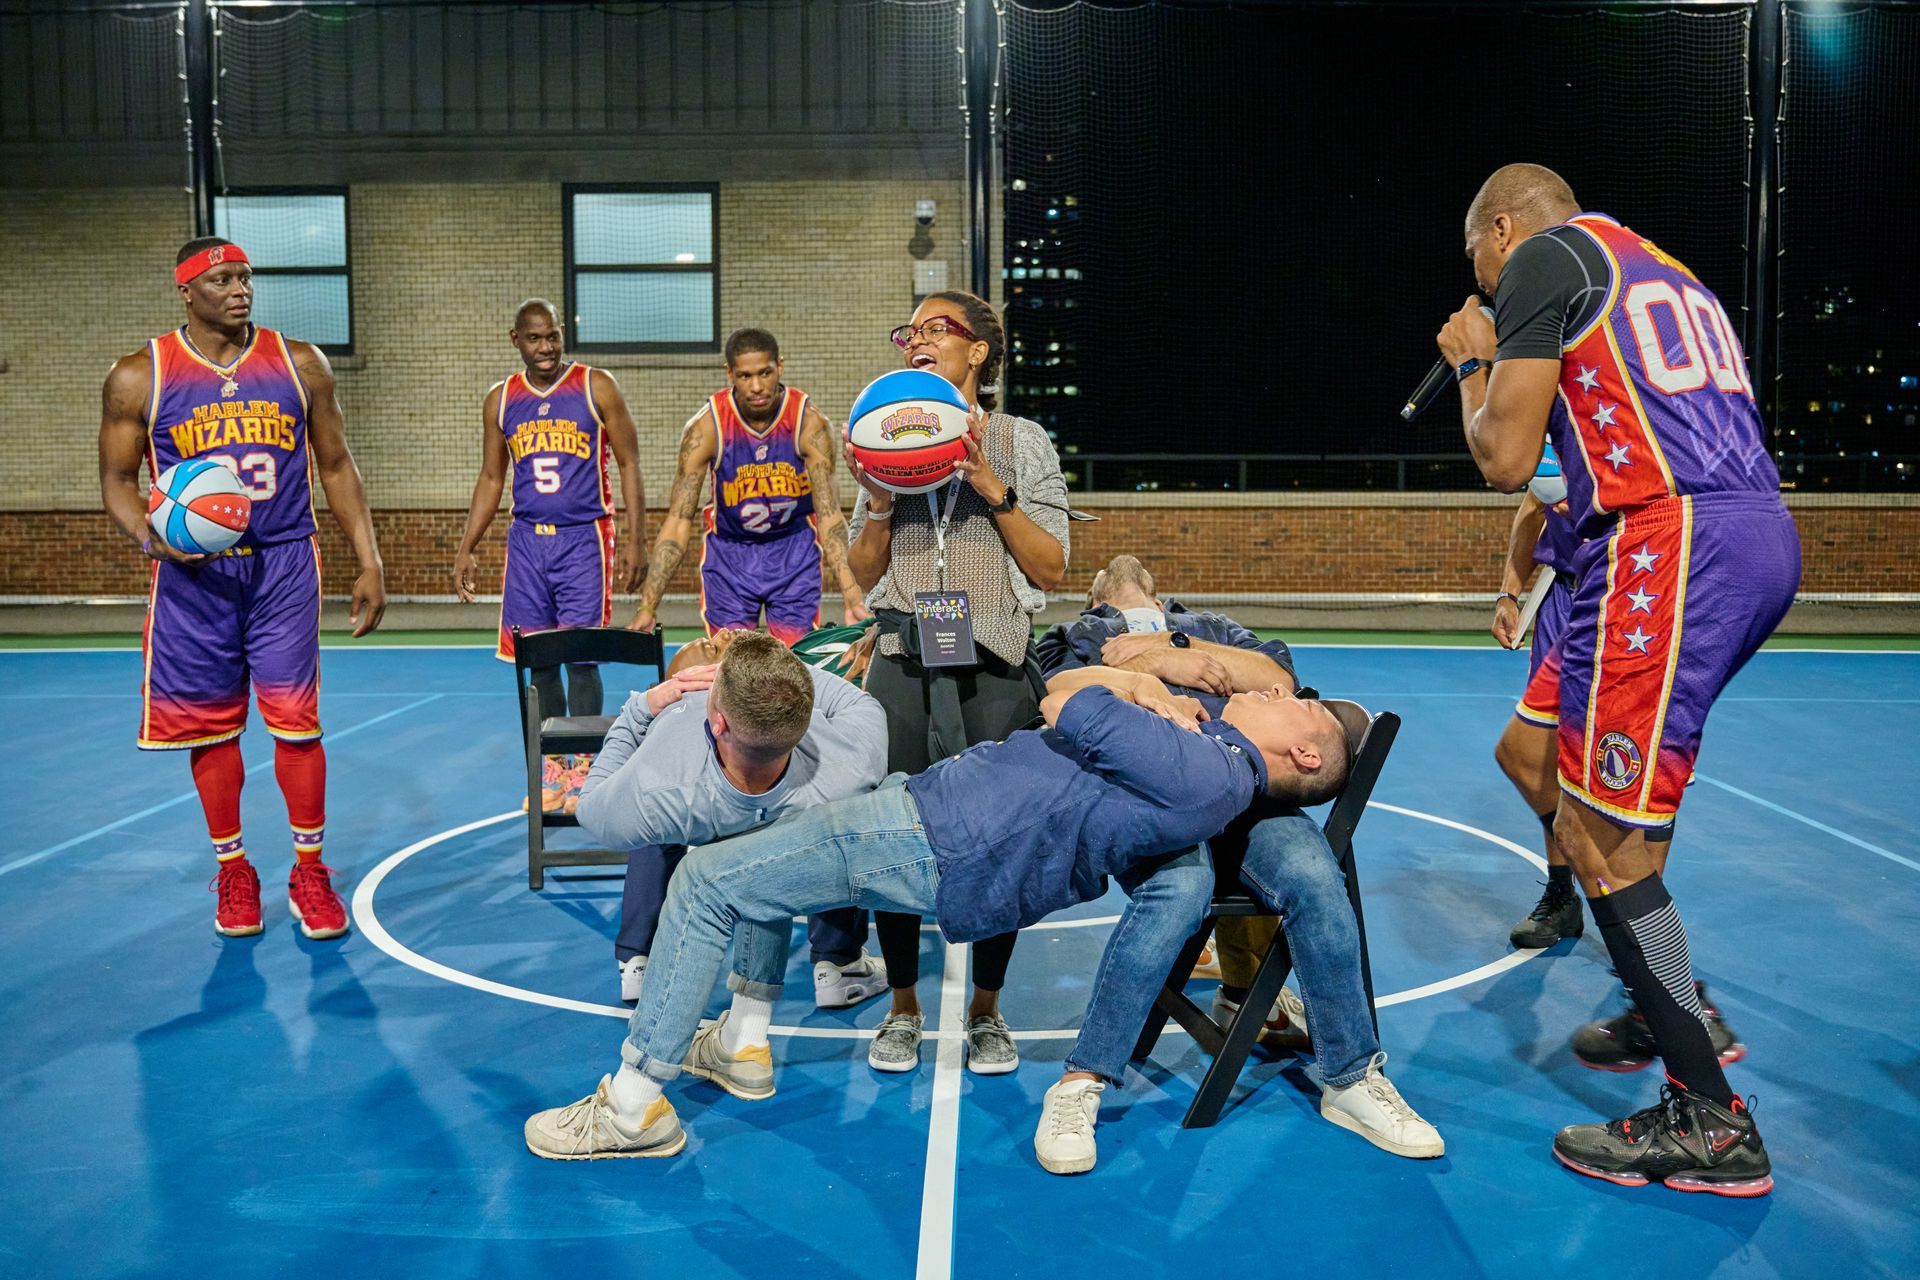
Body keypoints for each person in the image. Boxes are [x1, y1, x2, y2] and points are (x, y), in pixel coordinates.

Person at [524, 678, 1443, 1168]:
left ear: (1305, 746)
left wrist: (1133, 686)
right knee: (770, 834)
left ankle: (636, 1107)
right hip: (934, 818)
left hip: (932, 839)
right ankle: (742, 1042)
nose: (1281, 687)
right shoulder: (1203, 756)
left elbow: (1066, 697)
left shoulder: (1205, 769)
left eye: (1298, 701)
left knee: (708, 886)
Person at [1438, 163, 1798, 1196]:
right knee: (1561, 765)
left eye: (1479, 262)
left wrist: (1477, 358)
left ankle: (1713, 1121)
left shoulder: (1546, 258)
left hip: (1668, 540)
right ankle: (1669, 997)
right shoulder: (1663, 268)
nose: (1485, 283)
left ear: (1501, 229)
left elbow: (1505, 456)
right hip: (1728, 530)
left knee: (1599, 833)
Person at [98, 237, 387, 940]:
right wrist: (149, 537)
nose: (240, 289)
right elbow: (115, 482)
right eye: (222, 278)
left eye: (245, 277)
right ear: (186, 291)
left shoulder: (300, 363)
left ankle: (310, 870)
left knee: (297, 722)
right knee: (210, 727)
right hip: (193, 578)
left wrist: (369, 558)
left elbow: (338, 465)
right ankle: (234, 869)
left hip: (283, 563)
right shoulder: (142, 375)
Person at [843, 290, 1071, 1076]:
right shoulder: (881, 439)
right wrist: (876, 502)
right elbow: (862, 573)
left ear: (979, 351)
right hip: (904, 660)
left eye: (937, 329)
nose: (917, 340)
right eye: (909, 330)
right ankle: (903, 1008)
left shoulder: (1020, 440)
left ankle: (987, 1012)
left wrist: (986, 482)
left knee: (998, 837)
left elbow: (1050, 565)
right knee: (894, 834)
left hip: (993, 660)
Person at [572, 631, 889, 1063]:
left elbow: (591, 808)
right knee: (823, 836)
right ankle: (835, 964)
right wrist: (776, 682)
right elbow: (861, 704)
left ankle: (639, 976)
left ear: (717, 721)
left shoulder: (660, 780)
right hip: (791, 836)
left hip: (691, 811)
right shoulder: (851, 768)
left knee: (677, 858)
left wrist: (641, 708)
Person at [1037, 554, 1306, 1043]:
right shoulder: (1073, 633)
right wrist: (1151, 666)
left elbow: (1279, 682)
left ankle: (1256, 1002)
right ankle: (1099, 1060)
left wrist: (1171, 642)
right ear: (1093, 602)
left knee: (1301, 862)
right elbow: (1057, 701)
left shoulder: (1207, 625)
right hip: (1148, 794)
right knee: (1188, 881)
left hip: (1237, 786)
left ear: (1160, 602)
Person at [452, 299, 647, 813]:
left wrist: (635, 537)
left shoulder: (595, 385)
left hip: (584, 537)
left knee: (581, 660)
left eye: (553, 336)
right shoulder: (500, 400)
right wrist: (467, 546)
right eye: (535, 338)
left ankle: (585, 769)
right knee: (538, 664)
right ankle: (552, 773)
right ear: (514, 339)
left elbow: (628, 461)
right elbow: (492, 477)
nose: (546, 347)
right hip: (527, 542)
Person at [626, 328, 866, 641]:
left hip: (792, 554)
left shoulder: (809, 423)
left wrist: (853, 597)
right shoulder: (706, 427)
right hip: (730, 558)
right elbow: (678, 520)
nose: (756, 386)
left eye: (765, 373)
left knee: (792, 664)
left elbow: (830, 517)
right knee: (730, 664)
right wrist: (648, 606)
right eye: (744, 376)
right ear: (729, 374)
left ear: (780, 366)